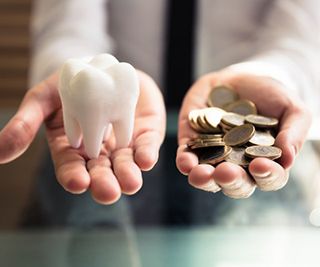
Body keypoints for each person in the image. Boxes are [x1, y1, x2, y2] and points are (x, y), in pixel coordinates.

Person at [0, 0, 318, 221]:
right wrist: (72, 74)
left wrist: (273, 76)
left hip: (275, 209)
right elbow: (67, 22)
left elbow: (304, 31)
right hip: (112, 121)